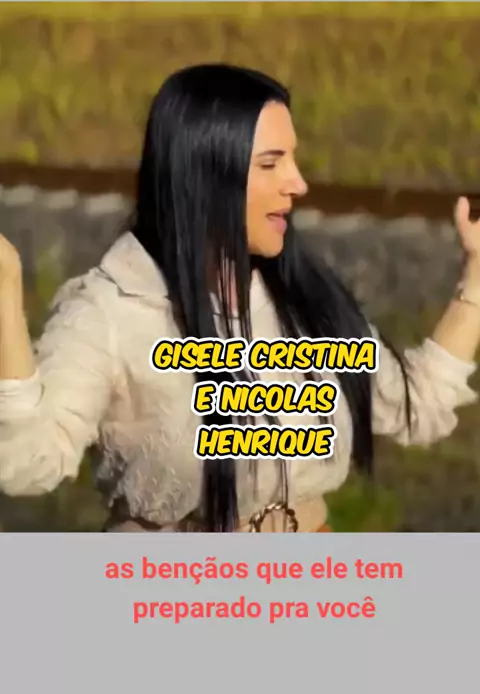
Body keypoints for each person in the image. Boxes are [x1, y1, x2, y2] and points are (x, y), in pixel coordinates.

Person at [0, 63, 479, 534]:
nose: (298, 183)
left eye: (292, 160)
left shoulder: (302, 296)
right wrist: (6, 288)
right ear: (203, 176)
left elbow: (416, 404)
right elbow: (27, 463)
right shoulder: (109, 312)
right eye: (270, 164)